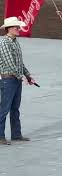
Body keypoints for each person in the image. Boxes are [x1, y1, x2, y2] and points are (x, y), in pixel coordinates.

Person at [0, 17, 36, 145]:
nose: (19, 29)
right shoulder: (4, 42)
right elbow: (9, 63)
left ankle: (16, 134)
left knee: (15, 108)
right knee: (4, 108)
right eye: (16, 27)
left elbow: (19, 62)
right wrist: (21, 76)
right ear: (9, 29)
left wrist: (27, 75)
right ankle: (0, 136)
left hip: (15, 79)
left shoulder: (15, 41)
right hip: (8, 79)